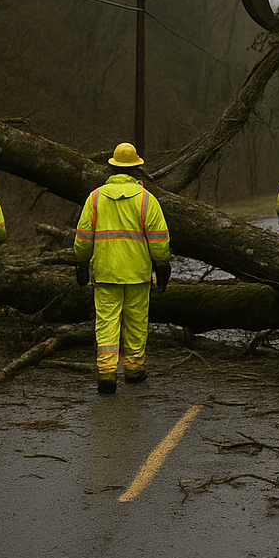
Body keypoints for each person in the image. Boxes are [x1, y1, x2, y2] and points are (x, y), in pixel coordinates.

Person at [73, 143, 171, 395]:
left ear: (111, 167)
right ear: (137, 169)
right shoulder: (147, 200)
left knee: (106, 322)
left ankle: (106, 373)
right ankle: (134, 370)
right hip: (138, 274)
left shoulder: (95, 198)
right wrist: (162, 264)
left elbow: (83, 237)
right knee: (136, 322)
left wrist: (81, 261)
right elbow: (159, 240)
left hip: (106, 273)